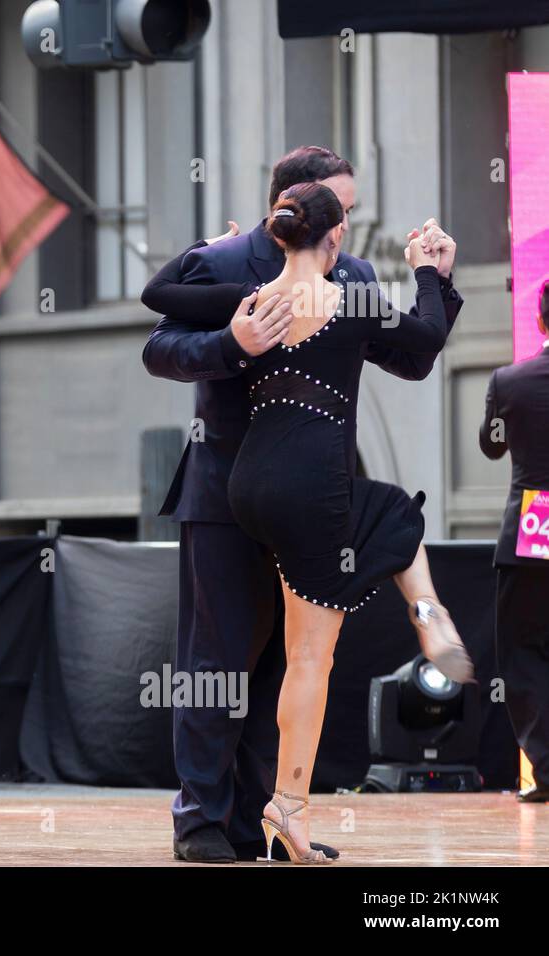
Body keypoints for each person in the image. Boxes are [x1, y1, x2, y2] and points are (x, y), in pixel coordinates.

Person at [141, 145, 464, 864]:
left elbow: (410, 358)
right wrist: (232, 341)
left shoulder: (348, 274)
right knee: (217, 659)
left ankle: (258, 819)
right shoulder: (225, 262)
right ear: (290, 202)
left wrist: (435, 282)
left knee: (285, 665)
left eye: (350, 210)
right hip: (222, 494)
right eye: (340, 210)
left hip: (313, 491)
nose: (347, 224)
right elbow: (159, 347)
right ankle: (199, 821)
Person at [479, 278, 549, 803]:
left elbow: (490, 447)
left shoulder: (511, 380)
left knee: (523, 650)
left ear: (540, 321)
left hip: (535, 518)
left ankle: (546, 768)